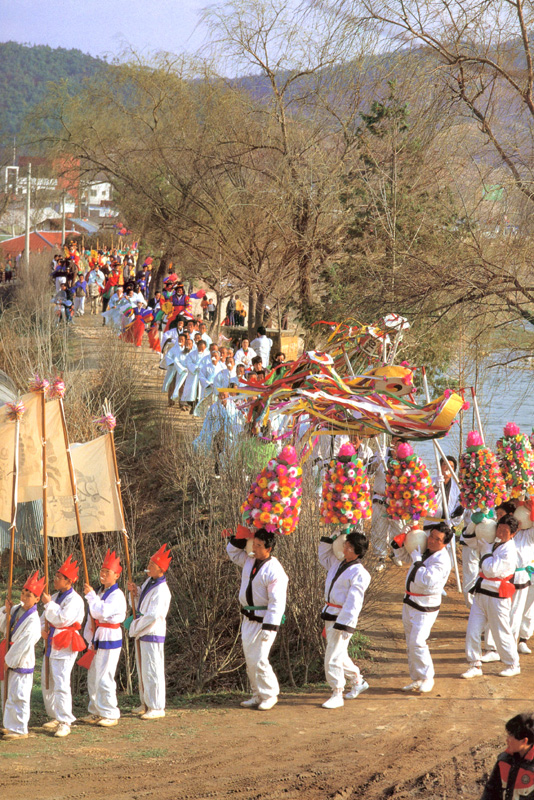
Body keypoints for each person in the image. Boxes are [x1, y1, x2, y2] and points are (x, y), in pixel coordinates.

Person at [226, 527, 288, 710]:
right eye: (253, 543)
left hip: (264, 620)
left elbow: (277, 601)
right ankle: (257, 694)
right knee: (250, 659)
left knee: (260, 658)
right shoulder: (249, 560)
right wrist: (242, 536)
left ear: (268, 548)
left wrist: (270, 628)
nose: (254, 547)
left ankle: (270, 694)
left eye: (259, 545)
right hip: (248, 617)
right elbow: (232, 552)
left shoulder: (275, 570)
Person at [394, 522, 453, 693]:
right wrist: (402, 541)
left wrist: (418, 560)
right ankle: (417, 678)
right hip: (410, 601)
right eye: (431, 536)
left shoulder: (442, 560)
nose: (432, 541)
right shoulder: (425, 550)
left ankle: (428, 677)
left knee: (418, 641)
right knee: (409, 642)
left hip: (425, 606)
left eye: (437, 539)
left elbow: (427, 581)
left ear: (445, 543)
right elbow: (404, 556)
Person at [462, 514, 520, 679]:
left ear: (513, 533)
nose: (501, 532)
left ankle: (513, 663)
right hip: (481, 593)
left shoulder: (509, 550)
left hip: (497, 596)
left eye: (506, 531)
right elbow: (468, 540)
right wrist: (474, 525)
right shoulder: (492, 542)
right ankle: (474, 664)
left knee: (501, 632)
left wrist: (486, 553)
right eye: (499, 528)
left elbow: (491, 570)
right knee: (472, 630)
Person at [318, 530, 371, 708]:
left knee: (332, 656)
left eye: (348, 546)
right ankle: (357, 680)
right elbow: (323, 555)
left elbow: (354, 603)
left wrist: (344, 624)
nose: (344, 547)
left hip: (342, 618)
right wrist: (332, 536)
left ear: (357, 551)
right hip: (330, 613)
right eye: (345, 544)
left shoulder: (360, 573)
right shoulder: (337, 563)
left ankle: (337, 692)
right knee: (338, 653)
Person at [40, 556, 86, 738]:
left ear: (69, 581)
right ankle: (55, 714)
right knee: (47, 680)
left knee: (60, 681)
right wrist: (41, 629)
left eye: (59, 577)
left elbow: (62, 619)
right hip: (51, 640)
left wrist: (49, 605)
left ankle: (65, 720)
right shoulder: (55, 596)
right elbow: (45, 618)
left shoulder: (75, 600)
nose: (55, 579)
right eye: (56, 576)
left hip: (65, 642)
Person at [127, 544, 172, 720]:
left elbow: (153, 615)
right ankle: (145, 702)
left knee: (153, 669)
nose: (148, 566)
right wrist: (135, 592)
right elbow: (141, 604)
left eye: (152, 564)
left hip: (152, 632)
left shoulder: (162, 590)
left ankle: (157, 706)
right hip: (143, 631)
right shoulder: (148, 582)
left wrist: (135, 626)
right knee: (143, 669)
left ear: (160, 568)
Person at [82, 550, 127, 727]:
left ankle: (110, 712)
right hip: (98, 636)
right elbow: (91, 617)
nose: (103, 574)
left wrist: (91, 596)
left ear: (116, 575)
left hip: (109, 636)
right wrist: (89, 638)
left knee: (105, 675)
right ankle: (96, 709)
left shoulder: (117, 595)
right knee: (93, 675)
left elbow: (100, 611)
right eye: (102, 570)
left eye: (107, 572)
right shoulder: (101, 592)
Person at [0, 571, 44, 740]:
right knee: (10, 692)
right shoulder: (17, 609)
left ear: (37, 599)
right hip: (10, 654)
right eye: (24, 592)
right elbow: (4, 628)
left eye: (30, 595)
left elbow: (23, 644)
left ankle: (19, 728)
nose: (25, 596)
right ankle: (10, 724)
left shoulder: (33, 621)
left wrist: (9, 660)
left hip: (21, 659)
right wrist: (6, 610)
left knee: (20, 694)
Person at [369, 436, 404, 570]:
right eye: (394, 444)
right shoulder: (382, 458)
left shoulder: (405, 464)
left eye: (399, 445)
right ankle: (381, 556)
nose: (395, 448)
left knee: (398, 528)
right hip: (380, 498)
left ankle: (395, 553)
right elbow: (368, 472)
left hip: (396, 502)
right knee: (379, 528)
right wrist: (376, 461)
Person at [481, 712, 534, 799]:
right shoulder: (504, 760)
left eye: (511, 736)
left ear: (524, 741)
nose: (507, 739)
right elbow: (491, 790)